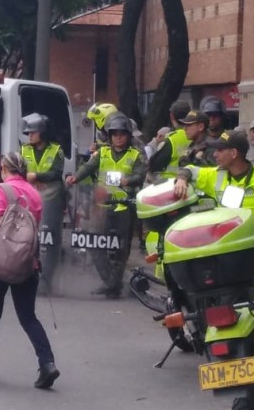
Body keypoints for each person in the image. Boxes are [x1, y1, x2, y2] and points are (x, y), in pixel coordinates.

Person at [0, 152, 59, 389]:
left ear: (5, 169)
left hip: (0, 260)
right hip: (27, 262)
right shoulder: (34, 194)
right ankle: (47, 363)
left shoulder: (1, 191)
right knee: (28, 316)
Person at [66, 113, 147, 298]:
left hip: (124, 208)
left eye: (122, 134)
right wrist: (75, 177)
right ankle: (110, 282)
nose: (118, 137)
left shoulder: (136, 155)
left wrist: (130, 179)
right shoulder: (102, 153)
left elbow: (141, 174)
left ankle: (113, 285)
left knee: (121, 248)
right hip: (102, 207)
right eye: (114, 133)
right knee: (94, 242)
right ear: (110, 136)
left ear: (128, 135)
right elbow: (88, 167)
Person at [174, 130, 254, 239]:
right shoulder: (216, 174)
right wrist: (182, 179)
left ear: (234, 153)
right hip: (229, 247)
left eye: (220, 150)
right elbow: (190, 170)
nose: (215, 154)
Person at [20, 113, 65, 285]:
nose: (29, 135)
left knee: (49, 238)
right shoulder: (24, 149)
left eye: (33, 132)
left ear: (43, 133)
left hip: (51, 200)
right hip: (28, 199)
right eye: (28, 132)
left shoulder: (56, 150)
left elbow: (56, 173)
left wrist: (36, 176)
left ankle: (48, 277)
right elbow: (18, 170)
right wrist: (32, 178)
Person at [148, 100, 191, 181]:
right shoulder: (197, 136)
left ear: (172, 116)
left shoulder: (171, 139)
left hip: (169, 184)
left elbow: (153, 165)